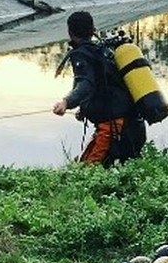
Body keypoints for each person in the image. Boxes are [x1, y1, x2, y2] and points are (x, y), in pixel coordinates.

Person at [52, 10, 146, 166]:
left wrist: (66, 102)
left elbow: (86, 85)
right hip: (131, 123)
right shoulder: (101, 51)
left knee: (90, 170)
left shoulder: (82, 54)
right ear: (92, 30)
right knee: (85, 166)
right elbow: (105, 85)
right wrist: (85, 110)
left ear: (70, 32)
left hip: (114, 125)